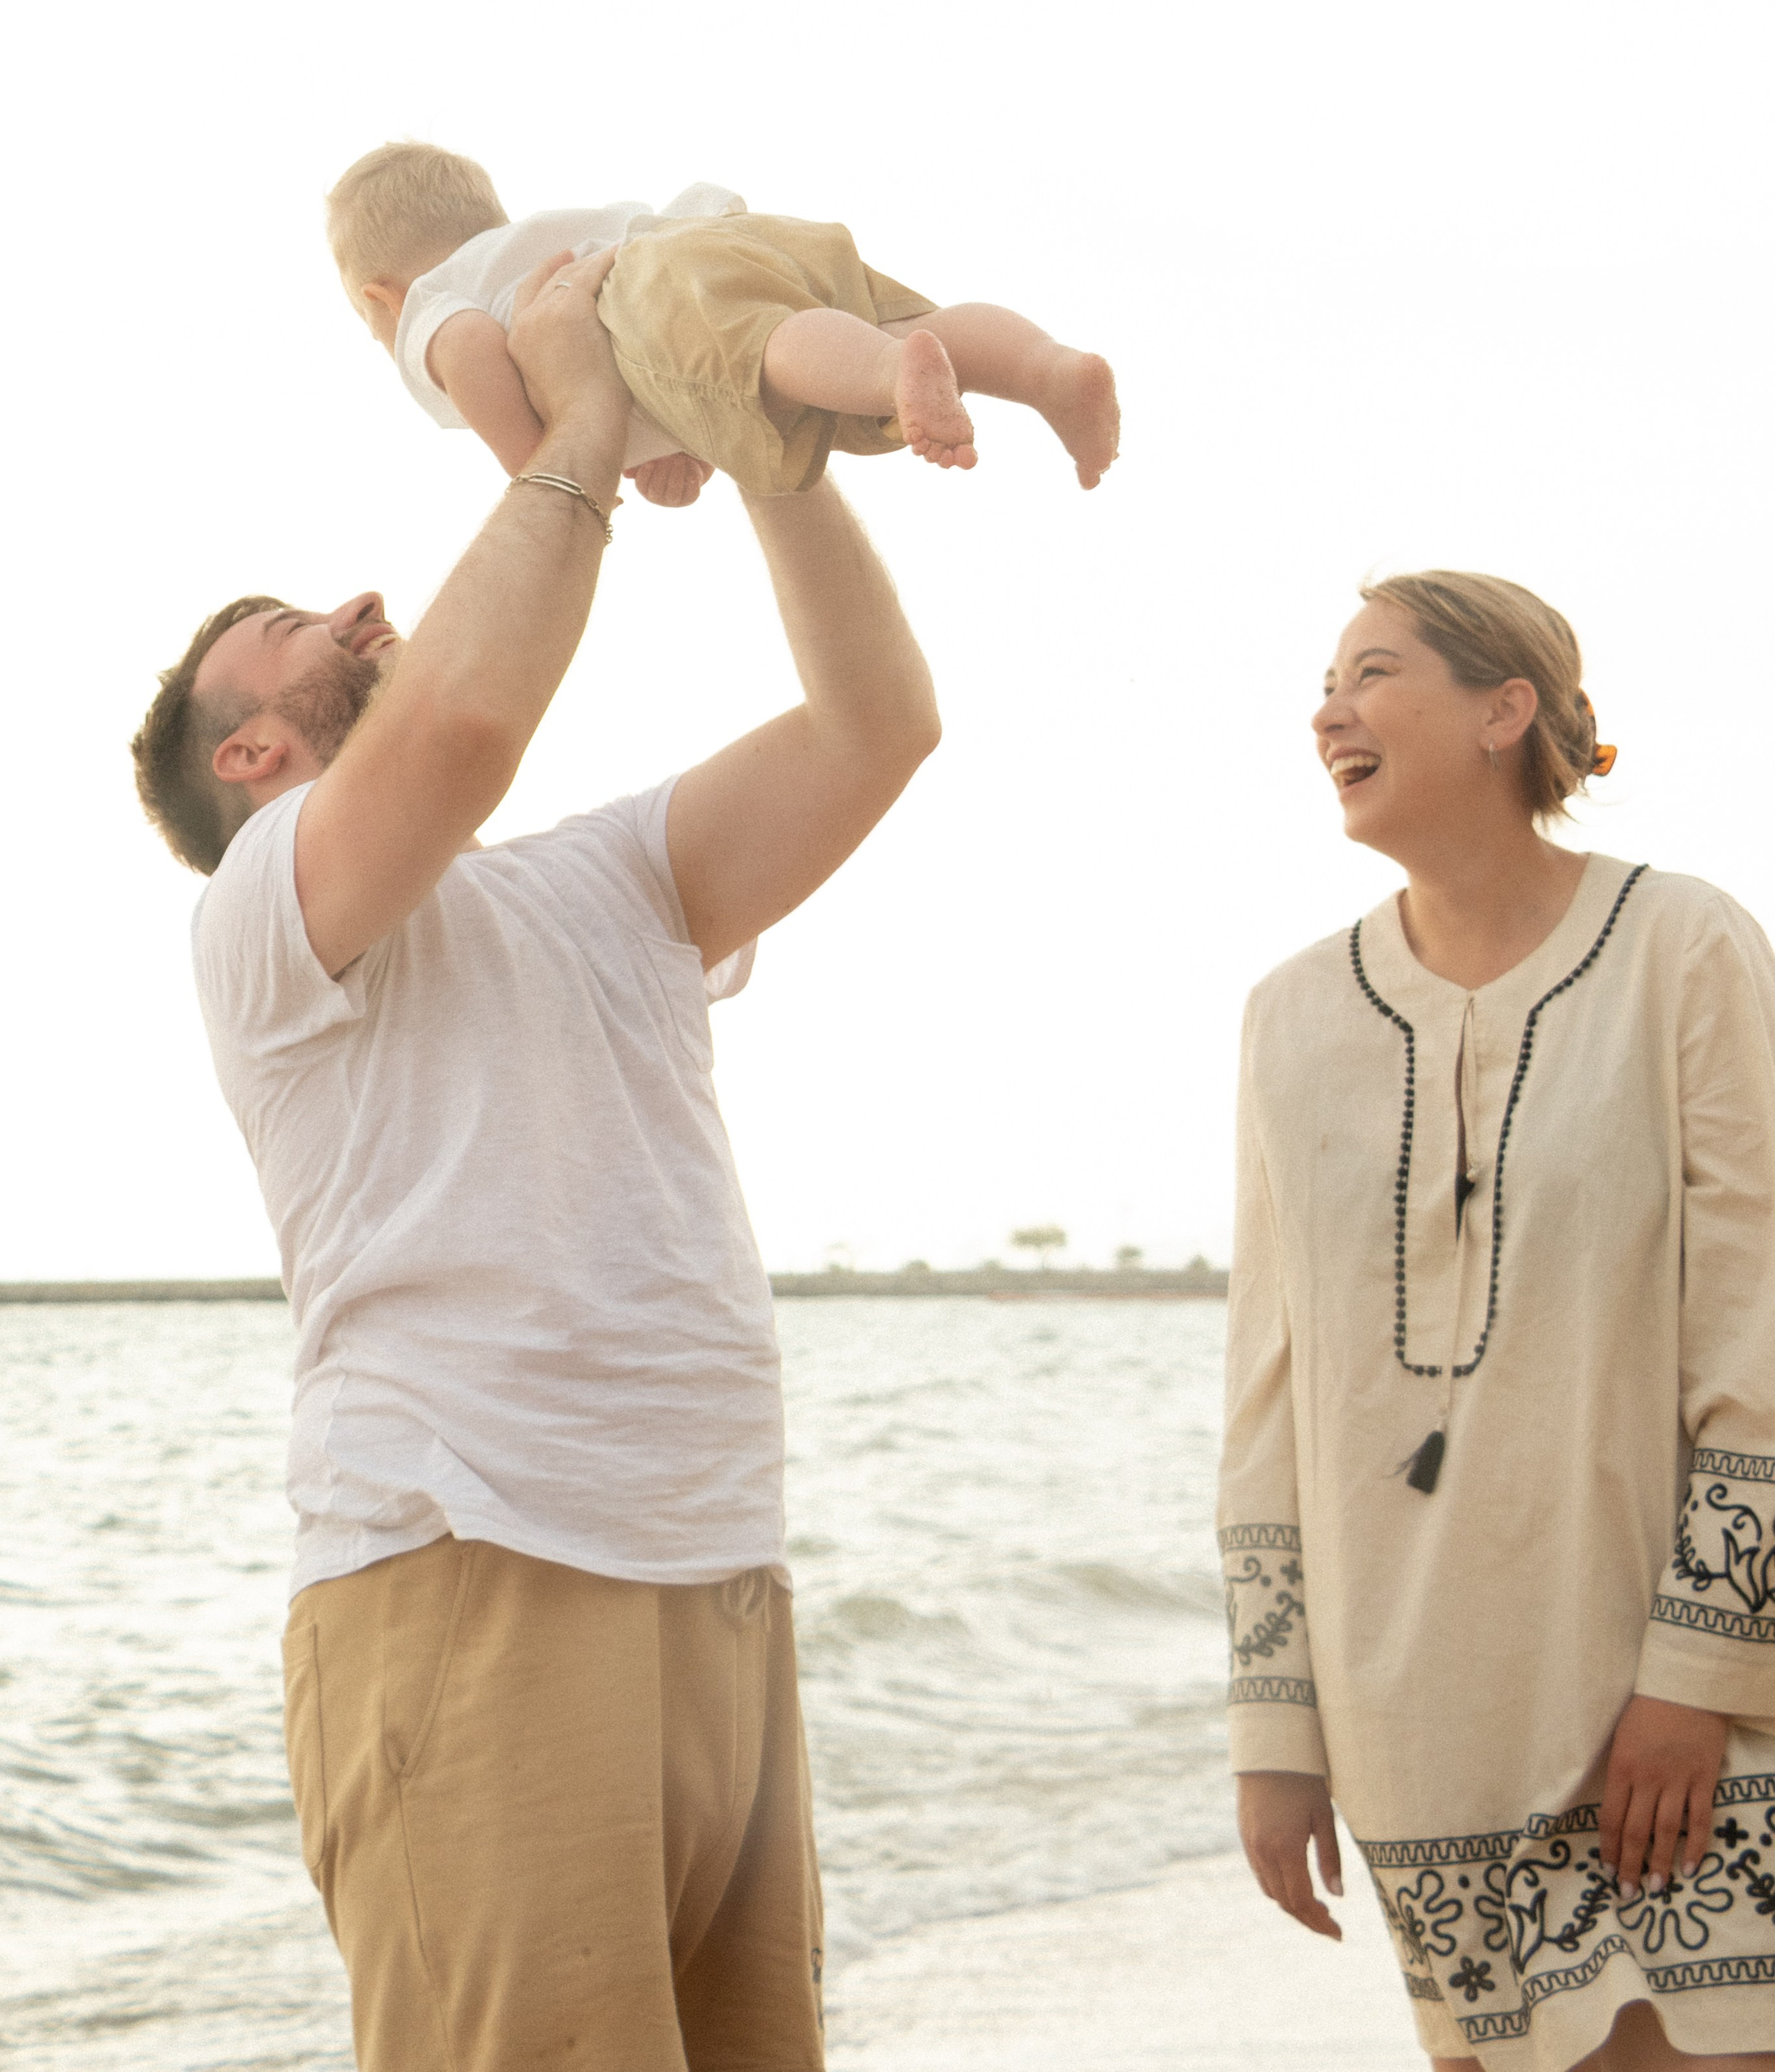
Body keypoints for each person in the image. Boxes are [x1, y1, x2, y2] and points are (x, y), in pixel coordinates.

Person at [128, 250, 942, 2072]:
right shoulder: (269, 912)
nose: (352, 603)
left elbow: (878, 727)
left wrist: (772, 453)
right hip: (464, 1565)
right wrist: (573, 428)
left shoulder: (609, 881)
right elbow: (466, 725)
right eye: (285, 624)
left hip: (714, 1566)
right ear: (251, 751)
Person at [1220, 571, 1775, 2072]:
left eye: (1372, 671)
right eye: (1325, 681)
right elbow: (1266, 1394)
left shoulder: (1685, 950)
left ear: (1500, 710)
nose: (1326, 708)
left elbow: (1759, 1346)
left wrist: (1696, 1676)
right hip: (1414, 1712)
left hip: (1661, 1713)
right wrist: (1273, 1733)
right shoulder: (1288, 1016)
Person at [324, 137, 1120, 503]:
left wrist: (542, 468)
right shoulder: (539, 243)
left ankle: (889, 373)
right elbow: (687, 374)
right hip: (726, 238)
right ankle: (1047, 371)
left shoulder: (434, 301)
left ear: (379, 298)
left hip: (655, 279)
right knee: (910, 325)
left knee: (780, 346)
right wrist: (680, 449)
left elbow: (466, 351)